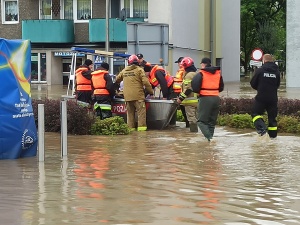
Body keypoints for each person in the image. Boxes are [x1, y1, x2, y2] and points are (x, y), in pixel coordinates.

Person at [116, 55, 154, 131]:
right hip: (138, 96)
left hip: (127, 97)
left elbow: (117, 79)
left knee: (130, 116)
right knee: (141, 115)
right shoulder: (139, 70)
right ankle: (141, 135)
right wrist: (151, 92)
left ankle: (131, 133)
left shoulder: (124, 71)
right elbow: (146, 82)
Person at [191, 57, 224, 141]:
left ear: (203, 64)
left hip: (205, 98)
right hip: (216, 98)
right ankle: (209, 139)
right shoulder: (218, 74)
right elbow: (221, 87)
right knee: (211, 122)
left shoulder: (201, 73)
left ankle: (209, 138)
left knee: (201, 121)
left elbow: (194, 87)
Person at [250, 54, 281, 139]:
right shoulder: (277, 72)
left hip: (261, 98)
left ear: (263, 61)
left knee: (255, 113)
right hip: (273, 99)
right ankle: (273, 138)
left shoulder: (260, 71)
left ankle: (262, 130)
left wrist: (260, 88)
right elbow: (277, 85)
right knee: (272, 119)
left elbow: (253, 83)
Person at [176, 57, 199, 132]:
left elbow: (188, 89)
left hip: (190, 101)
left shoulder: (189, 75)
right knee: (195, 118)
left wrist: (180, 98)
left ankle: (193, 135)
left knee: (192, 120)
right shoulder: (195, 74)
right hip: (196, 100)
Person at [172, 56, 189, 128]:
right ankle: (187, 124)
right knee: (180, 109)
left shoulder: (184, 71)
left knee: (183, 109)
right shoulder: (179, 71)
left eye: (179, 63)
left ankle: (188, 124)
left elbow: (184, 82)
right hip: (177, 92)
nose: (178, 64)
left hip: (181, 92)